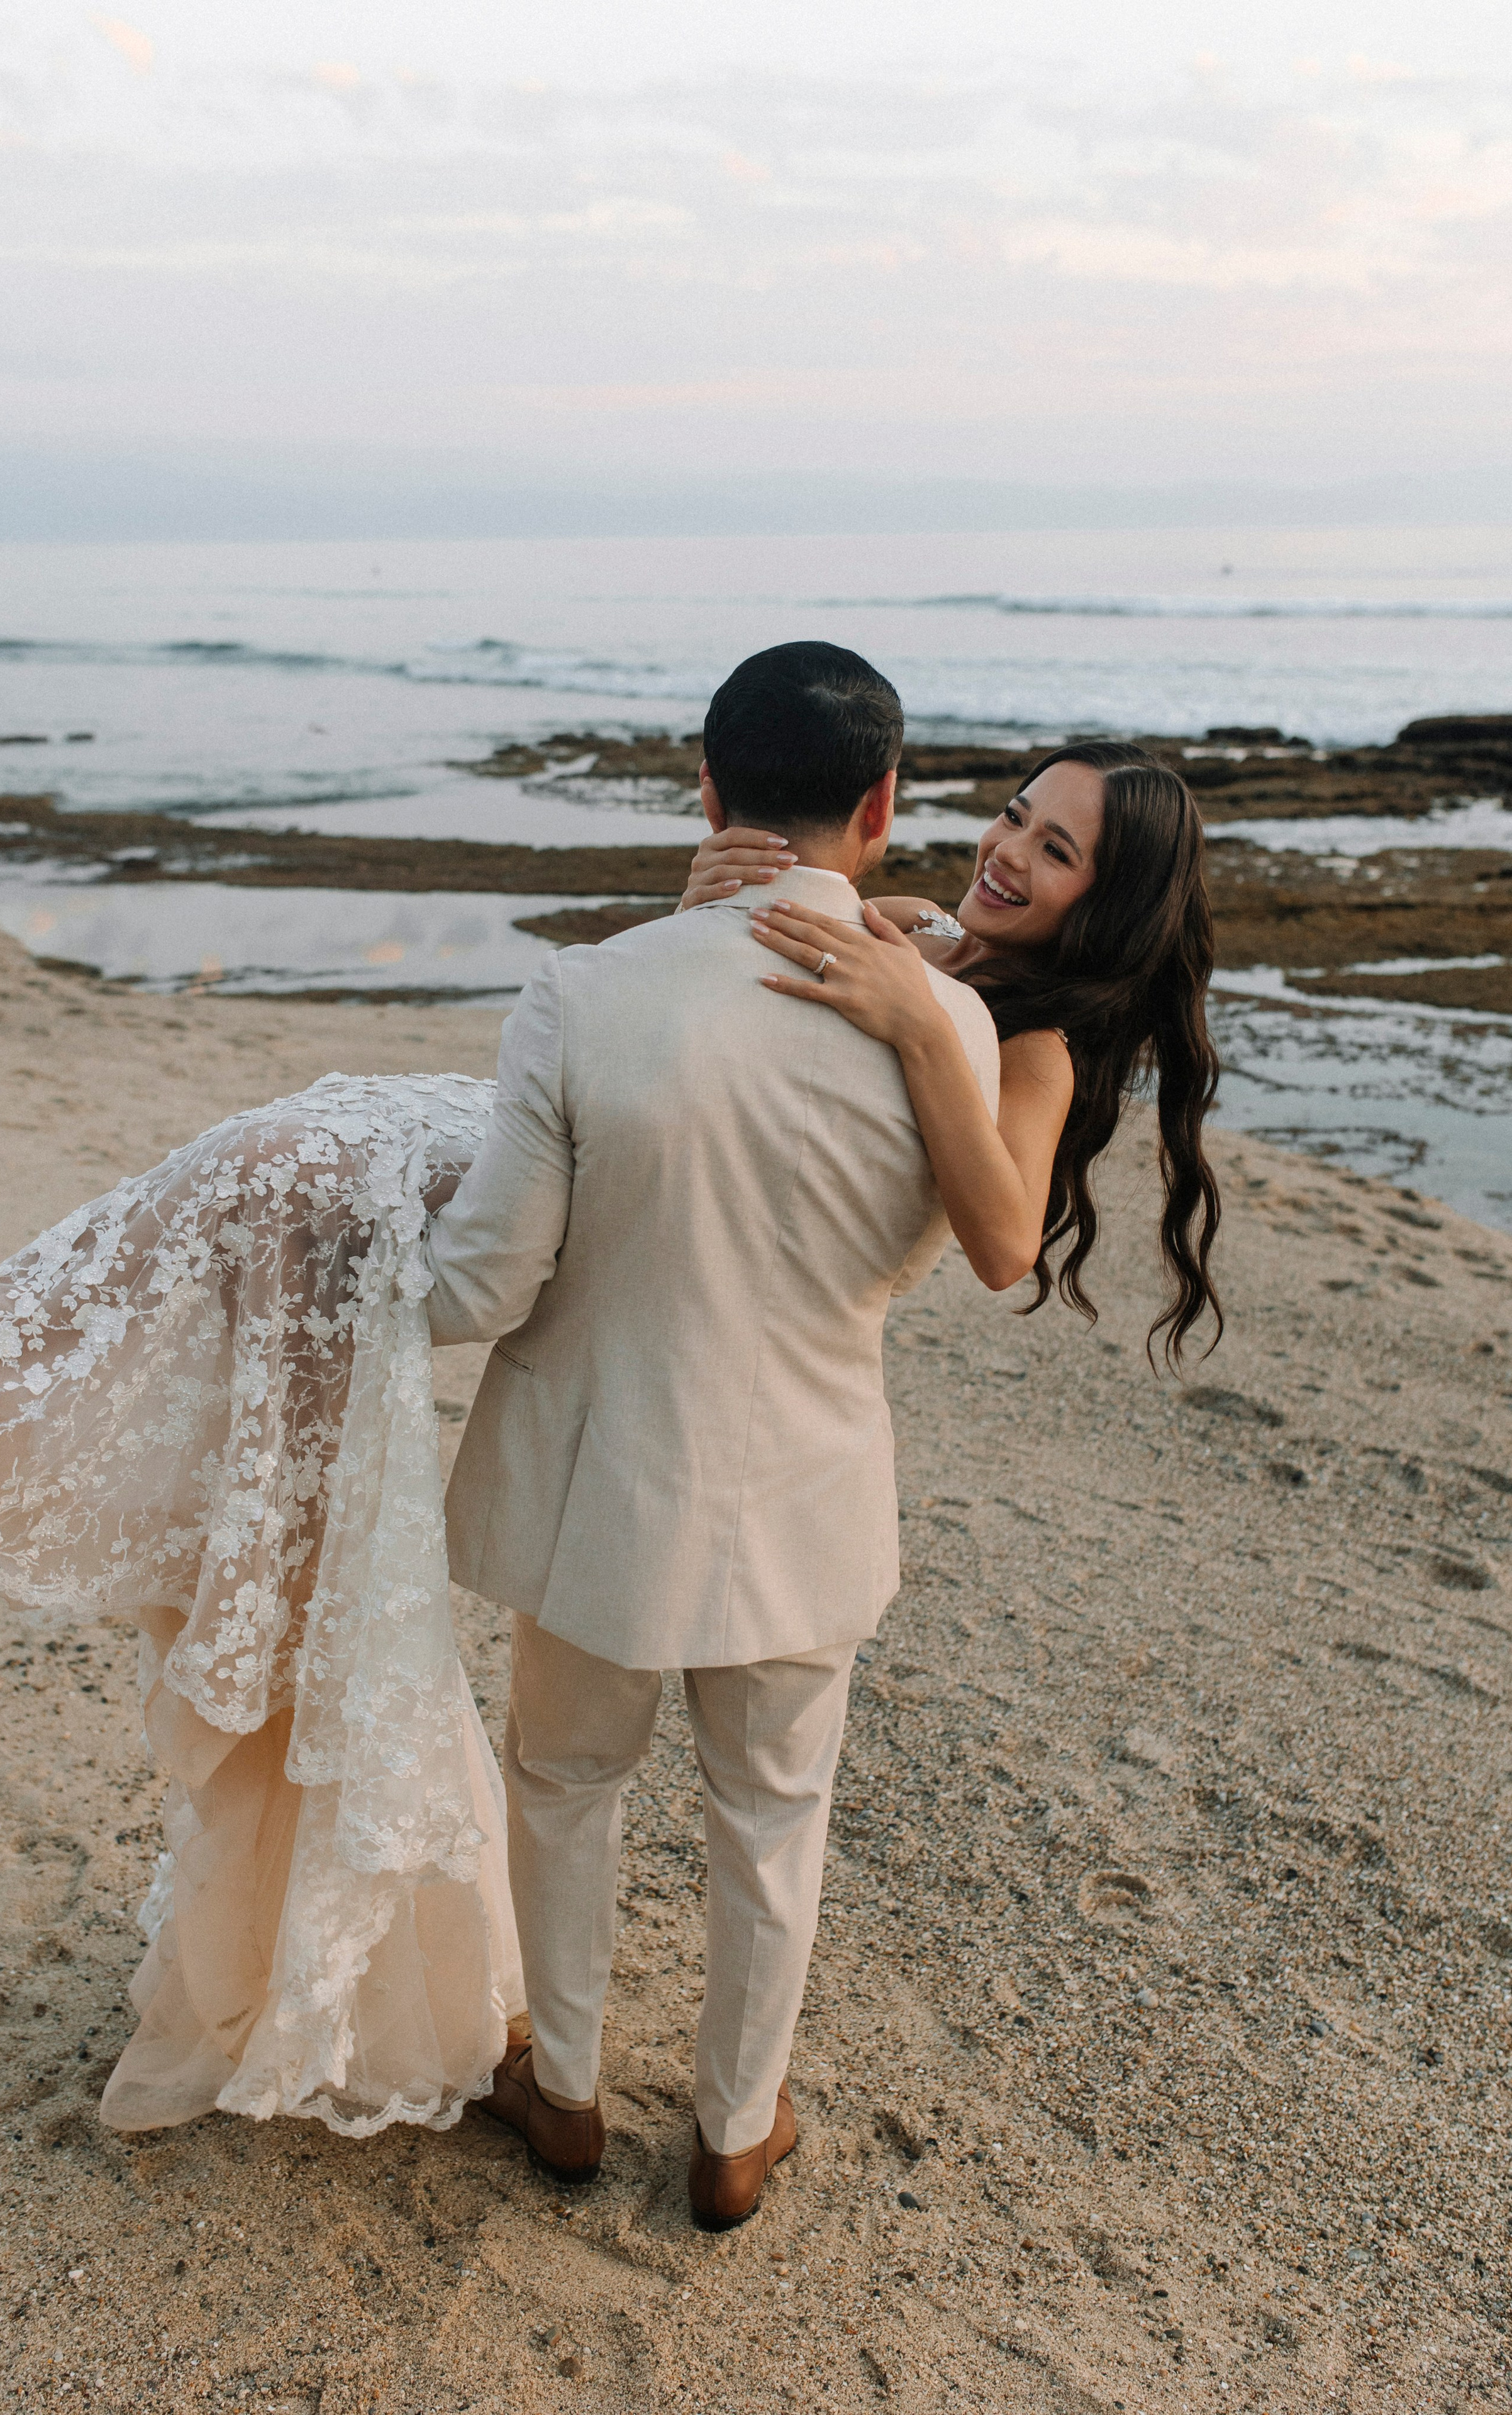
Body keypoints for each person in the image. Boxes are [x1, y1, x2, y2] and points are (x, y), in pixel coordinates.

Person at [418, 641, 999, 2226]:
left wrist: (340, 1298)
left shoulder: (587, 989)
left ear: (705, 781)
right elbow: (920, 1251)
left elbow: (481, 1282)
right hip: (809, 1486)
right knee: (773, 1813)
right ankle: (738, 2130)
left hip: (601, 1479)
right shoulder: (946, 1024)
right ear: (880, 803)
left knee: (562, 1779)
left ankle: (569, 2087)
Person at [677, 735, 1223, 1362]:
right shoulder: (912, 921)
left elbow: (1006, 1253)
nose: (1007, 852)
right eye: (1014, 817)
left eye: (1054, 851)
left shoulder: (1035, 1050)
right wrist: (703, 908)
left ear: (1108, 904)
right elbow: (738, 998)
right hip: (701, 1207)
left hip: (788, 1313)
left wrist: (924, 1030)